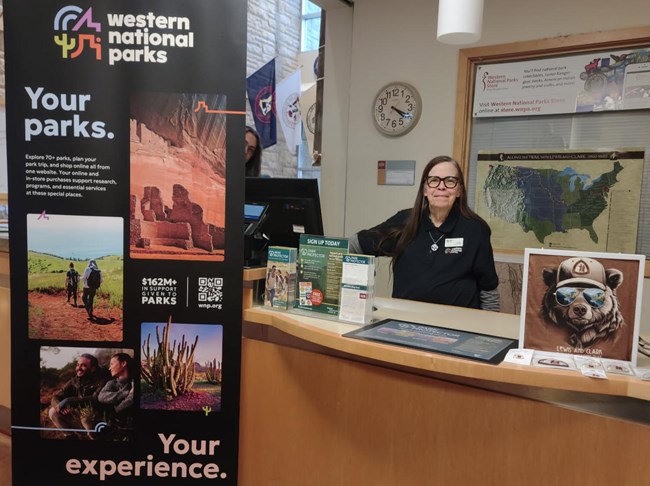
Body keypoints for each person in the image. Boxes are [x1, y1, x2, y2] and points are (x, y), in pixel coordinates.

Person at [350, 155, 500, 311]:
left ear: (459, 190)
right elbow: (354, 246)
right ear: (425, 189)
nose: (441, 187)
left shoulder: (476, 230)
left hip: (457, 328)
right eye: (434, 180)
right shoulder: (405, 221)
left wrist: (487, 330)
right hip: (404, 325)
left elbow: (489, 292)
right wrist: (358, 289)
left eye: (450, 181)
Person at [48, 353, 106, 439]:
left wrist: (69, 401)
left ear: (93, 368)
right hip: (79, 415)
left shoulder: (102, 380)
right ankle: (71, 437)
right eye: (78, 365)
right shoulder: (74, 380)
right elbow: (56, 396)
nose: (79, 368)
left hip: (96, 417)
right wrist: (60, 406)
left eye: (83, 365)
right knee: (53, 412)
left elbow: (95, 399)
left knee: (86, 418)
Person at [98, 353, 135, 439]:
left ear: (123, 363)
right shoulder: (111, 383)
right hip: (117, 427)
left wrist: (117, 406)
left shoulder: (134, 381)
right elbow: (101, 397)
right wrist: (125, 393)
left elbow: (132, 399)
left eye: (112, 364)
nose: (109, 368)